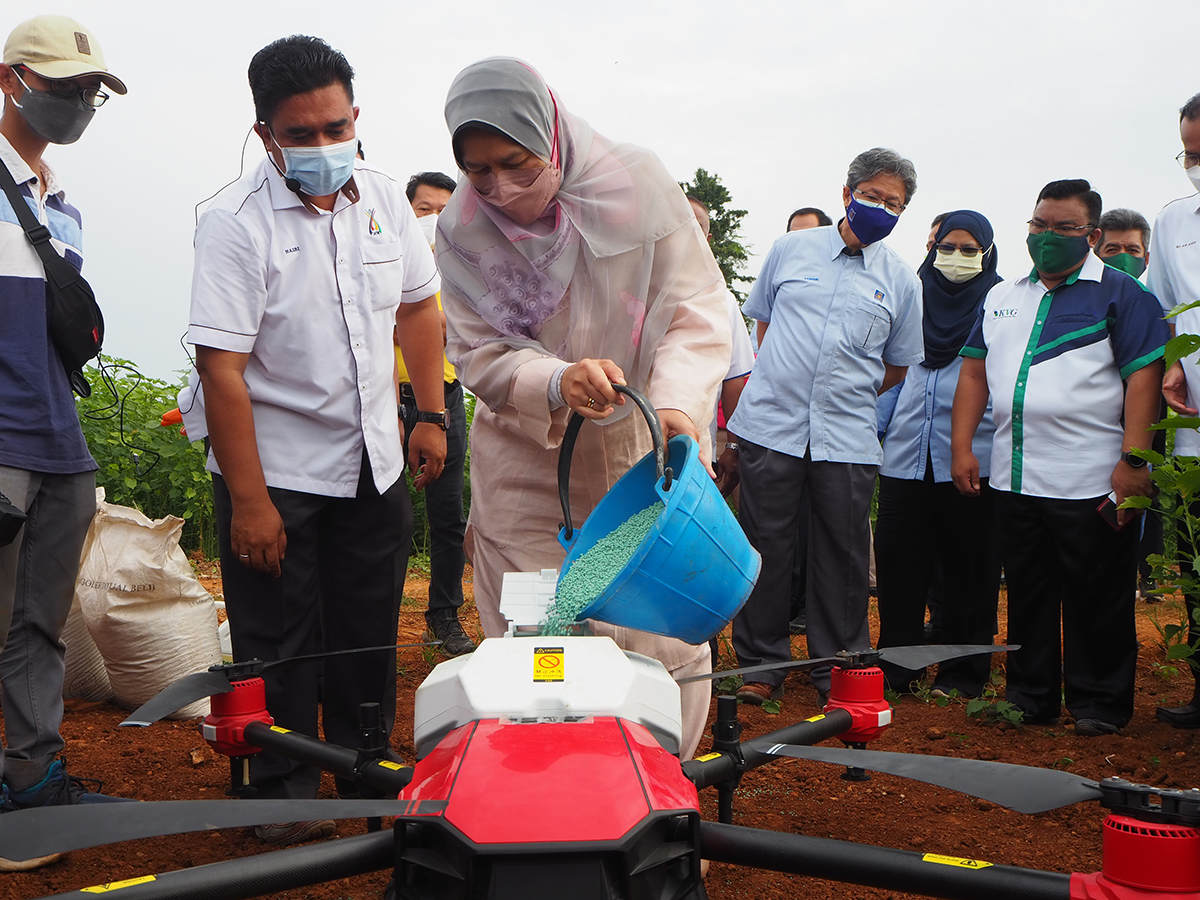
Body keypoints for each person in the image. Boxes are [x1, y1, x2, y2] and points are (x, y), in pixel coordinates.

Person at [188, 35, 446, 841]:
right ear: (266, 135)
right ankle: (283, 791)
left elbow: (417, 307)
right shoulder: (233, 224)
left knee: (367, 627)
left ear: (356, 117)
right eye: (302, 135)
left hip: (372, 460)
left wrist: (429, 412)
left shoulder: (381, 197)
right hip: (278, 469)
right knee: (279, 638)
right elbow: (222, 368)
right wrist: (251, 501)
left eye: (336, 128)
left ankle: (363, 773)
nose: (324, 147)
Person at [436, 58, 730, 760]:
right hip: (532, 464)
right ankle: (552, 795)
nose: (501, 190)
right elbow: (479, 352)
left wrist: (679, 408)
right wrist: (553, 379)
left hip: (646, 448)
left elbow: (697, 309)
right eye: (479, 171)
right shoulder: (462, 233)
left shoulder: (638, 187)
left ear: (554, 135)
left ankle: (660, 798)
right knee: (541, 630)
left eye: (517, 162)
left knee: (661, 629)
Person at [952, 179, 1166, 736]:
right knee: (1028, 591)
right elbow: (974, 371)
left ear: (1091, 235)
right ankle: (1030, 696)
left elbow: (1142, 380)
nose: (1048, 237)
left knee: (1099, 595)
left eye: (1064, 228)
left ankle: (1098, 703)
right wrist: (961, 447)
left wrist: (1134, 461)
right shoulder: (1001, 296)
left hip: (1091, 476)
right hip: (1016, 474)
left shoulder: (1123, 295)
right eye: (1039, 225)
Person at [0, 14, 128, 871]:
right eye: (62, 84)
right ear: (10, 78)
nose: (79, 101)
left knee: (37, 625)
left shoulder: (63, 208)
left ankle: (32, 780)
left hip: (58, 445)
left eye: (90, 90)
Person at [727, 148, 924, 705]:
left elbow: (897, 365)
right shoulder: (791, 250)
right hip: (772, 427)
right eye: (873, 196)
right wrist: (790, 379)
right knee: (765, 545)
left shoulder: (902, 281)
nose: (881, 208)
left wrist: (843, 392)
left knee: (842, 553)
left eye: (895, 204)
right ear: (847, 193)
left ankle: (835, 669)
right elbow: (764, 323)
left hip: (847, 436)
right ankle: (761, 667)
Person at [875, 211, 1002, 698]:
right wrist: (875, 434)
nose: (956, 258)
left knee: (970, 568)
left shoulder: (1001, 302)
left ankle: (963, 673)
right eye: (948, 247)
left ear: (987, 254)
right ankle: (899, 669)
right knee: (900, 568)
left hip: (975, 458)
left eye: (970, 250)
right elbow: (889, 371)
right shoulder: (912, 295)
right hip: (905, 456)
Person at [397, 170, 474, 656]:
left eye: (447, 212)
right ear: (406, 212)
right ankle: (373, 616)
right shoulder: (383, 260)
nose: (435, 220)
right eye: (425, 210)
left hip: (444, 395)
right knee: (383, 514)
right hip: (384, 395)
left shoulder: (463, 272)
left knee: (448, 515)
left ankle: (443, 617)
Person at [1153, 91, 1200, 728]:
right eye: (1191, 154)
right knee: (1196, 556)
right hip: (1194, 425)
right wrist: (1170, 362)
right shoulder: (1173, 223)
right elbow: (1165, 311)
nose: (1196, 164)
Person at [1094, 209, 1163, 602]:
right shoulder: (1086, 301)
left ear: (1146, 257)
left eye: (1131, 249)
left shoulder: (1156, 301)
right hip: (1099, 419)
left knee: (1144, 491)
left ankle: (1148, 573)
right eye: (1112, 248)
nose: (1122, 255)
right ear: (1096, 248)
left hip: (1150, 417)